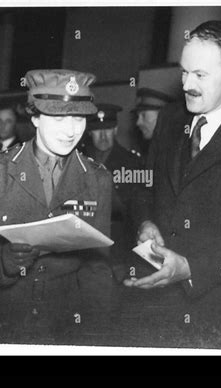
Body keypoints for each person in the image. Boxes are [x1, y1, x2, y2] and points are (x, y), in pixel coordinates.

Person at [124, 20, 221, 344]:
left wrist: (190, 267)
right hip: (147, 306)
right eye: (184, 72)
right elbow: (145, 186)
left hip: (211, 315)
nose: (186, 84)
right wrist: (145, 222)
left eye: (200, 75)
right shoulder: (170, 117)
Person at [0, 70, 114, 344]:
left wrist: (104, 333)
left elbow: (97, 268)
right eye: (59, 117)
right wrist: (2, 260)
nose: (71, 130)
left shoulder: (97, 178)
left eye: (78, 118)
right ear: (35, 117)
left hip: (61, 325)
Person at [83, 103, 144, 281]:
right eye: (97, 130)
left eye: (108, 129)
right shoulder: (78, 162)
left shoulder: (132, 163)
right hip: (84, 255)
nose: (103, 136)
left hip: (119, 255)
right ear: (89, 132)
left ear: (116, 129)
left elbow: (137, 209)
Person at [134, 88, 173, 157]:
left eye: (144, 115)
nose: (138, 122)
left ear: (162, 116)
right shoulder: (155, 150)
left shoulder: (173, 153)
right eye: (138, 116)